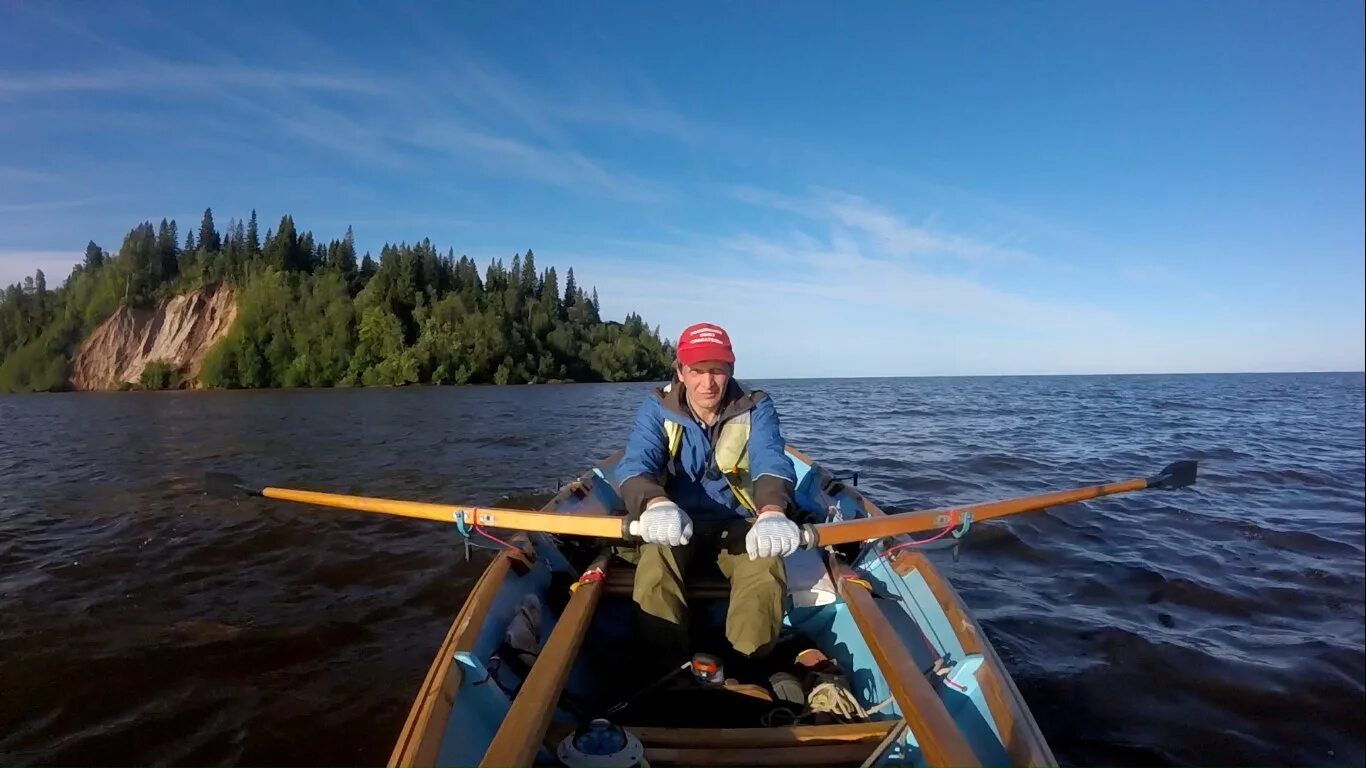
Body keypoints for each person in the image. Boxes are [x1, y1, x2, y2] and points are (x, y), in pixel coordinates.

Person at [616, 322, 802, 669]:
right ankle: (666, 668)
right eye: (697, 371)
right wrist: (656, 504)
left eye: (717, 371)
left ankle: (747, 667)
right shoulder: (656, 407)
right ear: (680, 371)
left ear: (731, 370)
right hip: (676, 524)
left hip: (738, 524)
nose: (708, 383)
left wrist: (774, 511)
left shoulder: (756, 406)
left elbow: (771, 459)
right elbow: (635, 465)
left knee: (766, 565)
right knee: (655, 561)